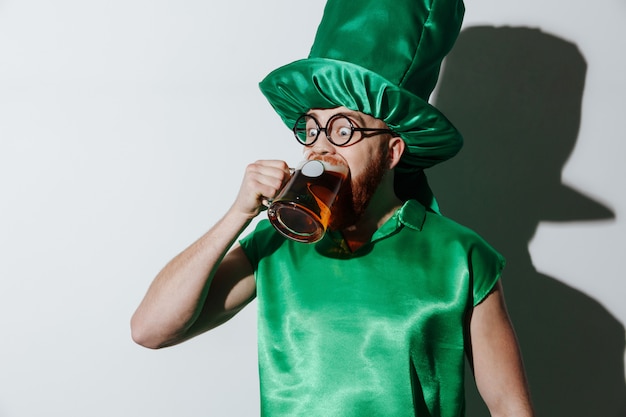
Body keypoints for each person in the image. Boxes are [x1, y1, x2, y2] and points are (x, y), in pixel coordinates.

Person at [131, 0, 535, 415]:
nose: (320, 147)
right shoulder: (276, 243)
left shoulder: (461, 256)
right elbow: (150, 329)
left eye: (344, 129)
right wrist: (238, 215)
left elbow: (509, 405)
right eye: (311, 128)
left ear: (393, 150)